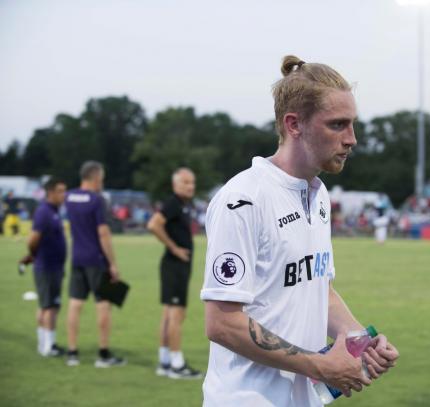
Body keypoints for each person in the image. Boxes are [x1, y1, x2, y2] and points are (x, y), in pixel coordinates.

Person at [201, 55, 399, 407]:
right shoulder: (243, 200)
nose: (351, 138)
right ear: (294, 124)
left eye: (352, 124)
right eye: (337, 125)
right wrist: (321, 365)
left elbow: (317, 287)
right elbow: (222, 322)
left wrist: (359, 340)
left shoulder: (318, 193)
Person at [64, 161, 125, 367]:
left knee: (75, 304)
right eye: (102, 178)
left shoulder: (69, 197)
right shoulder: (97, 200)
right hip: (96, 259)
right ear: (96, 177)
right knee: (103, 305)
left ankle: (72, 353)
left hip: (77, 257)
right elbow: (103, 233)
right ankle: (103, 354)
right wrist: (113, 263)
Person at [147, 168, 203, 379]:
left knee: (169, 315)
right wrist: (174, 248)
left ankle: (164, 361)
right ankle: (177, 364)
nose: (191, 186)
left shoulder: (182, 205)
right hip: (174, 265)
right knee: (176, 315)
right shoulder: (173, 203)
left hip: (176, 266)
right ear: (175, 185)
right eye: (186, 182)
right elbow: (153, 224)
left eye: (192, 182)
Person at [19, 178, 67, 357]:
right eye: (61, 191)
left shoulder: (53, 211)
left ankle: (43, 344)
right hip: (48, 267)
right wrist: (34, 254)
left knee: (45, 305)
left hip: (52, 266)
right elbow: (32, 239)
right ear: (51, 193)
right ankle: (49, 346)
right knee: (51, 307)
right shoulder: (44, 212)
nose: (64, 195)